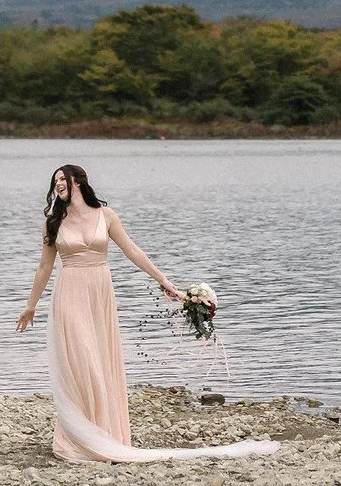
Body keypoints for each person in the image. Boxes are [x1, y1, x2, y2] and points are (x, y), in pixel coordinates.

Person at [16, 164, 279, 463]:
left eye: (62, 179)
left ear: (77, 181)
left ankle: (103, 431)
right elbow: (45, 267)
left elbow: (133, 251)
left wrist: (165, 282)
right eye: (55, 182)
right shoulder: (53, 223)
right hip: (69, 292)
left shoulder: (106, 215)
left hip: (99, 292)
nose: (58, 184)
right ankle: (77, 433)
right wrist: (31, 304)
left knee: (100, 358)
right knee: (81, 357)